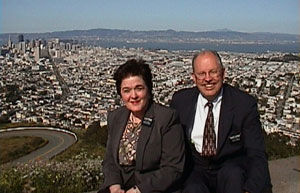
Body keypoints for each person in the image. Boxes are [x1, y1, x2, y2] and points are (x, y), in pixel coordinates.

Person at [170, 50, 272, 193]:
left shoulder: (243, 104)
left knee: (233, 177)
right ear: (193, 77)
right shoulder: (180, 101)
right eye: (201, 74)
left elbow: (257, 153)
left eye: (213, 72)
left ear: (223, 73)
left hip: (231, 168)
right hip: (196, 169)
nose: (208, 79)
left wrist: (251, 189)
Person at [99, 59, 185, 193]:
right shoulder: (116, 117)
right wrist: (115, 186)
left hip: (152, 188)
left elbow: (172, 168)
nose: (133, 96)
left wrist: (139, 190)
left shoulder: (166, 118)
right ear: (120, 94)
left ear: (148, 89)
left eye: (139, 88)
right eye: (126, 90)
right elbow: (110, 161)